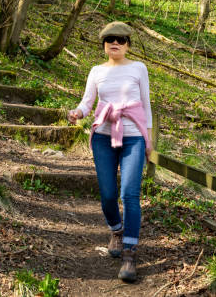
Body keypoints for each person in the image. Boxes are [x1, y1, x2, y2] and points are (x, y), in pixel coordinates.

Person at [68, 21, 152, 282]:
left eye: (120, 39)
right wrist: (79, 112)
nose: (114, 43)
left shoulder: (139, 68)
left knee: (129, 194)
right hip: (103, 136)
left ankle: (129, 252)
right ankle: (116, 231)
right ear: (104, 45)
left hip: (133, 138)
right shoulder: (96, 71)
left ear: (128, 44)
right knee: (107, 194)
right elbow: (87, 100)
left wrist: (149, 140)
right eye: (109, 39)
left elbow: (146, 105)